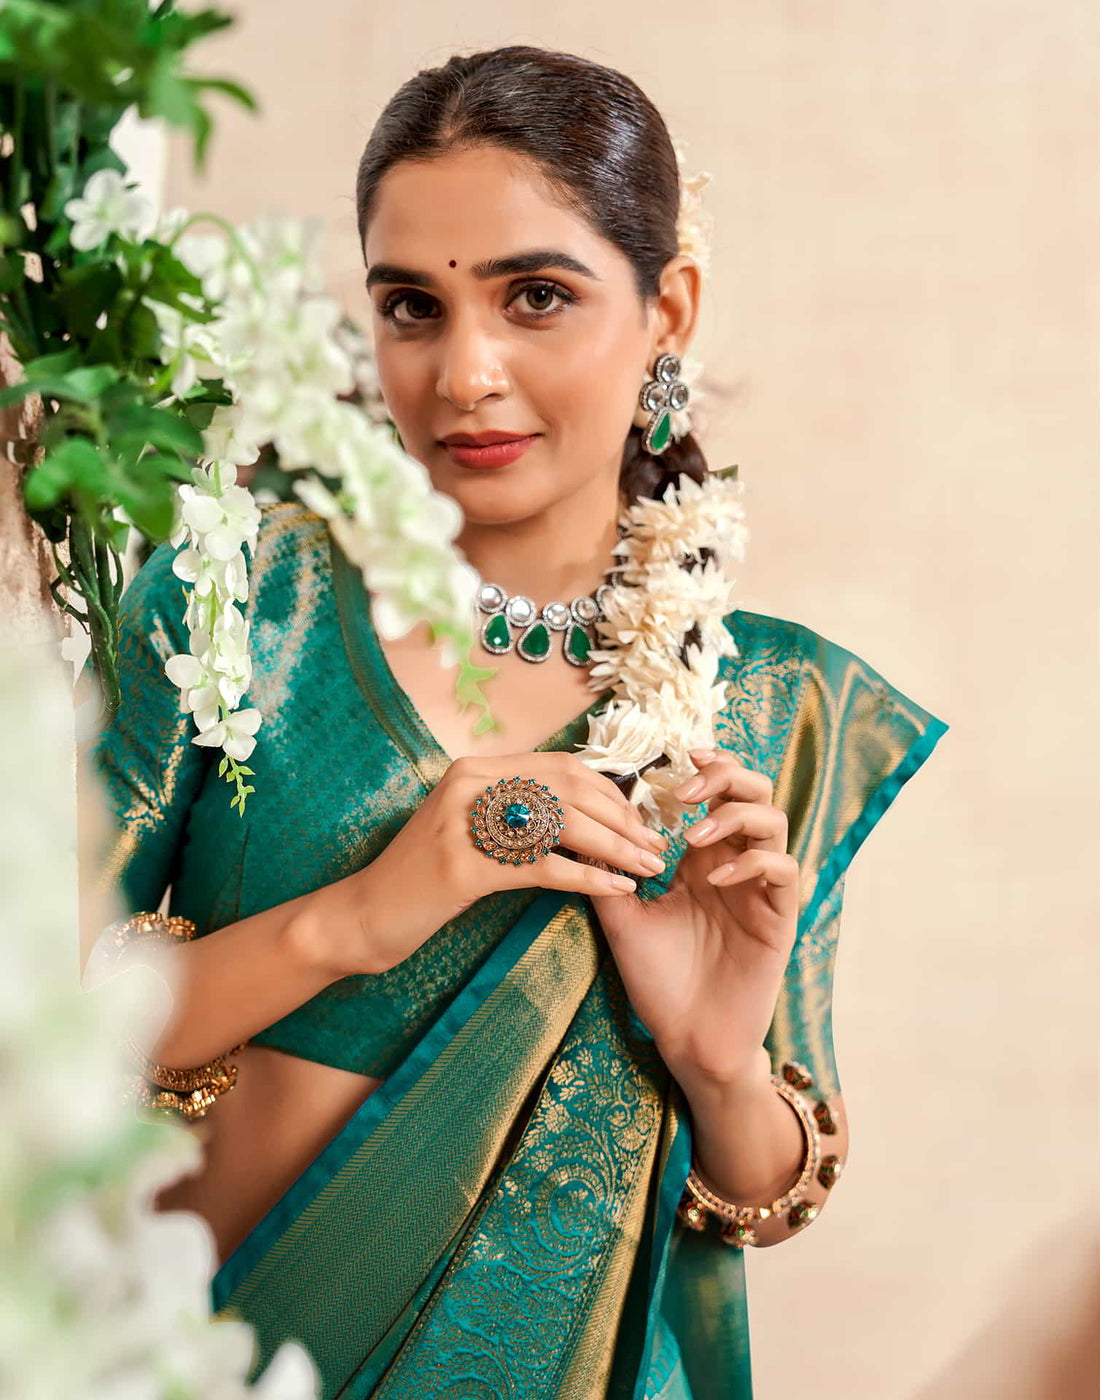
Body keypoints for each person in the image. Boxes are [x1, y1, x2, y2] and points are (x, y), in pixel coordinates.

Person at [80, 44, 950, 1400]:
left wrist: (720, 1066)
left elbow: (772, 1185)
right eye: (411, 307)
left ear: (670, 309)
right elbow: (42, 1038)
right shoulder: (236, 600)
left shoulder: (768, 706)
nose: (464, 373)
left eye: (535, 297)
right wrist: (351, 920)